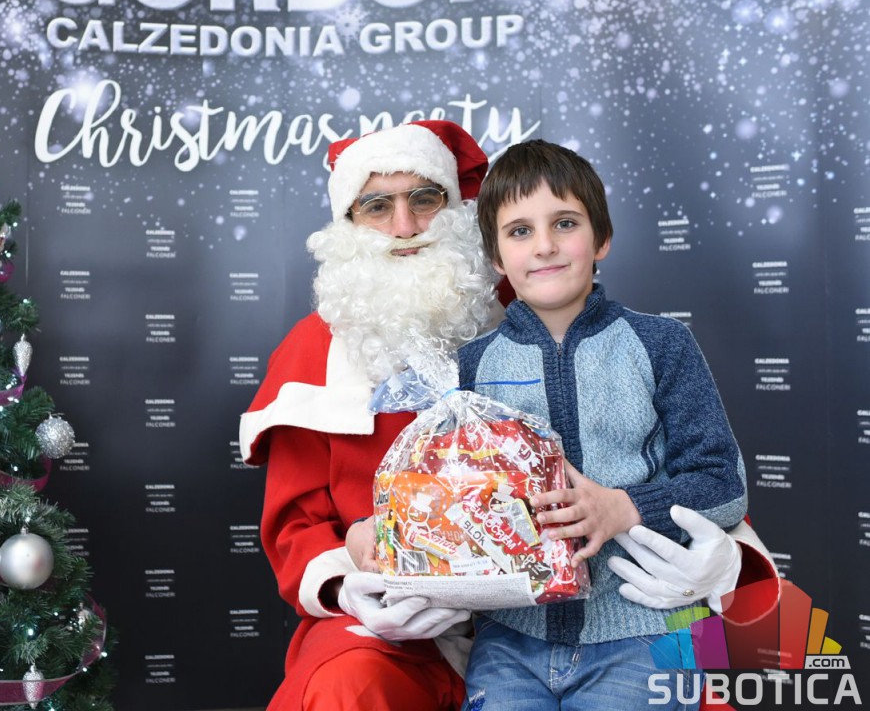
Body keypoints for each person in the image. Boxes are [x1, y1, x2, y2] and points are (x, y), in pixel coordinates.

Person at [240, 122, 778, 711]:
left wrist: (725, 559)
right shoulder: (320, 351)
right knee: (346, 686)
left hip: (618, 616)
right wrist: (352, 570)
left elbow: (707, 472)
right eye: (377, 205)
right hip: (431, 628)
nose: (405, 225)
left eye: (424, 198)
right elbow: (300, 523)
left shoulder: (506, 308)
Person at [455, 138, 749, 710]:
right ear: (496, 258)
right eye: (520, 231)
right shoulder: (470, 366)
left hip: (647, 625)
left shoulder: (661, 343)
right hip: (511, 638)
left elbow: (723, 483)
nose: (544, 245)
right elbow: (449, 491)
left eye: (564, 223)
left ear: (602, 238)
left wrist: (625, 507)